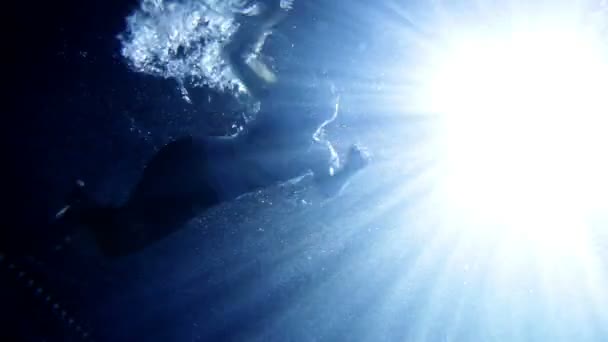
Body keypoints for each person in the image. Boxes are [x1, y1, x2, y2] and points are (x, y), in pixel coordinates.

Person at [56, 0, 369, 257]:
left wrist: (351, 170)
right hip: (193, 162)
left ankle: (79, 209)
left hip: (204, 187)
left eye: (334, 96)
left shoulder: (317, 152)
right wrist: (264, 20)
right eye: (327, 93)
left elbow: (326, 189)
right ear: (310, 101)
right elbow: (235, 55)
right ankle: (76, 212)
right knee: (128, 230)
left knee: (123, 241)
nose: (333, 97)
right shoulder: (281, 103)